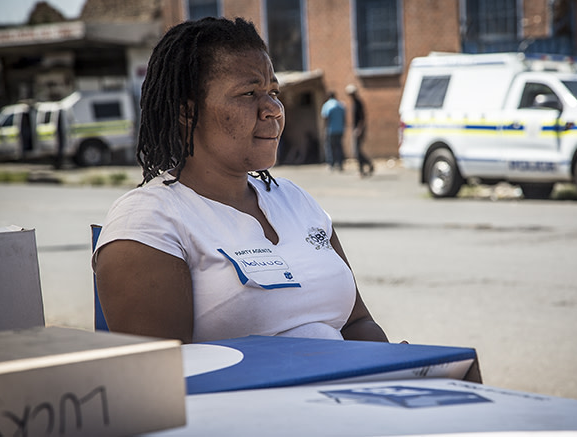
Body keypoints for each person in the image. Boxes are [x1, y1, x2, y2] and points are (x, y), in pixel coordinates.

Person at [92, 17, 389, 345]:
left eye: (273, 92)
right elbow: (166, 379)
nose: (273, 109)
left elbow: (358, 323)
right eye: (249, 93)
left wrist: (405, 370)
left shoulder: (296, 201)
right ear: (188, 111)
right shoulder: (149, 221)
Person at [345, 84, 373, 177]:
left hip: (358, 129)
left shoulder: (358, 103)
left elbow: (362, 118)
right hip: (355, 129)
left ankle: (363, 168)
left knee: (357, 151)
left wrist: (359, 129)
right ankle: (368, 164)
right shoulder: (354, 103)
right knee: (357, 151)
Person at [320, 92, 346, 171]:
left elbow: (325, 118)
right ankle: (340, 163)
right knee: (339, 146)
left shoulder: (327, 105)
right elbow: (344, 118)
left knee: (330, 147)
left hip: (330, 130)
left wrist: (324, 129)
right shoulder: (340, 105)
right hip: (340, 129)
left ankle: (331, 164)